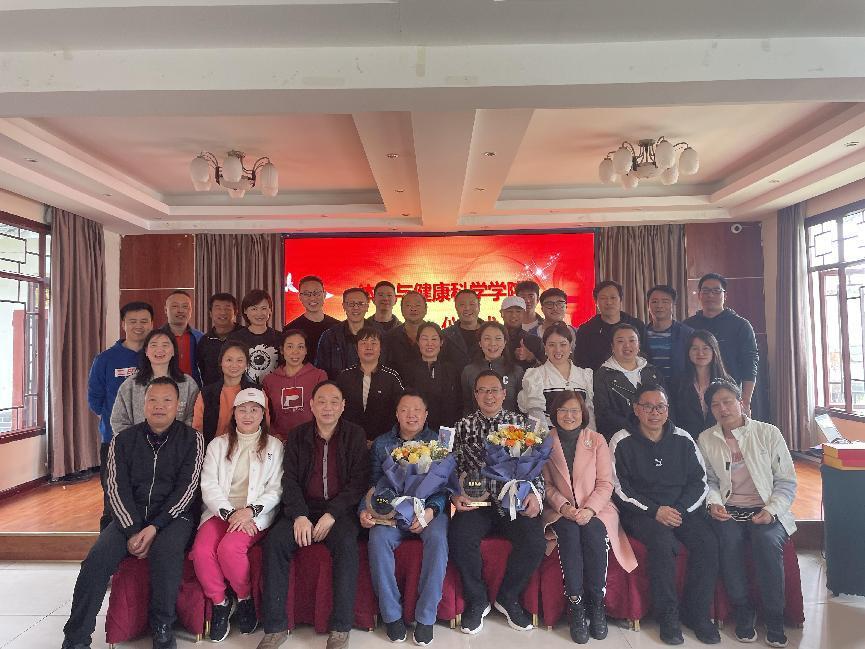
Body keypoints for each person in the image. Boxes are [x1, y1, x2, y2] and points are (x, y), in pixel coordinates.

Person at [61, 377, 204, 649]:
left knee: (166, 553)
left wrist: (155, 527)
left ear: (178, 405)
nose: (159, 406)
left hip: (174, 517)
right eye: (153, 400)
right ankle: (76, 637)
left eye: (167, 400)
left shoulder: (192, 439)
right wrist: (133, 530)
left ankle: (162, 628)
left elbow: (188, 489)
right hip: (129, 517)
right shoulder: (123, 440)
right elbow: (115, 488)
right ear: (143, 404)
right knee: (95, 561)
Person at [257, 381, 369, 649]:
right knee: (275, 543)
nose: (327, 407)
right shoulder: (298, 436)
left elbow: (358, 483)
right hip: (304, 509)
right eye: (321, 401)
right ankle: (275, 628)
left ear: (343, 406)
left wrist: (332, 514)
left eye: (334, 401)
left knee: (346, 544)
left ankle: (340, 627)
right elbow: (290, 480)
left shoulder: (355, 435)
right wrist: (299, 515)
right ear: (311, 405)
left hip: (339, 511)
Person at [610, 384, 720, 646]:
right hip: (642, 513)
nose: (654, 413)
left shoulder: (683, 438)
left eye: (660, 407)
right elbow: (620, 488)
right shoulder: (621, 440)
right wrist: (654, 511)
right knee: (662, 544)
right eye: (647, 407)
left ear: (667, 410)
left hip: (681, 510)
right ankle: (668, 616)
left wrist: (679, 510)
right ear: (636, 409)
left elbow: (700, 482)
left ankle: (697, 614)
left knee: (707, 543)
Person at [698, 380, 796, 648]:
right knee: (727, 541)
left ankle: (774, 616)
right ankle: (743, 609)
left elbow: (786, 481)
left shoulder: (768, 433)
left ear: (740, 403)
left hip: (766, 508)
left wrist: (771, 510)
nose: (722, 409)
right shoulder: (706, 438)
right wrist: (713, 503)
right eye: (715, 405)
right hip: (729, 510)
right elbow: (708, 481)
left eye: (727, 402)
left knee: (766, 541)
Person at [449, 370, 546, 635]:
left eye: (494, 390)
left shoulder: (521, 423)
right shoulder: (463, 426)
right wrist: (455, 495)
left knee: (535, 541)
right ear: (475, 395)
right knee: (459, 536)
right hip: (477, 503)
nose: (489, 395)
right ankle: (477, 599)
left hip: (512, 501)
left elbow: (536, 466)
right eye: (482, 390)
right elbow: (450, 467)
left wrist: (536, 495)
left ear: (504, 394)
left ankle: (508, 596)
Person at [541, 391, 637, 644]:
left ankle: (596, 604)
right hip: (561, 510)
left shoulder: (596, 440)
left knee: (594, 533)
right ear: (554, 414)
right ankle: (575, 604)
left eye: (574, 410)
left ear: (582, 413)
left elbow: (606, 483)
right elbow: (546, 485)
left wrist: (590, 509)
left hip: (597, 508)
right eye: (563, 410)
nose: (569, 416)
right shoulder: (546, 442)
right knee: (570, 534)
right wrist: (564, 507)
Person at [191, 388, 284, 642]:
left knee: (230, 549)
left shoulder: (274, 446)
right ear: (233, 413)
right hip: (220, 512)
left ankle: (245, 598)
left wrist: (250, 511)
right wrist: (230, 512)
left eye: (254, 410)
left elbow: (276, 489)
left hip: (254, 514)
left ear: (263, 415)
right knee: (202, 552)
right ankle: (221, 603)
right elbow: (209, 485)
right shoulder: (218, 445)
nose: (248, 415)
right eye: (242, 410)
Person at [360, 391, 449, 646]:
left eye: (417, 410)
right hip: (392, 512)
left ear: (426, 414)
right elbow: (372, 484)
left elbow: (444, 486)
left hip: (428, 510)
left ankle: (426, 617)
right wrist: (365, 510)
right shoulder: (382, 443)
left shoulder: (437, 442)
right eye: (405, 410)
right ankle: (391, 615)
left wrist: (431, 511)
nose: (411, 415)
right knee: (378, 538)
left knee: (438, 539)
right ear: (397, 414)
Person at [88, 301, 154, 530]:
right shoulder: (105, 359)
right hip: (115, 440)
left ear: (152, 324)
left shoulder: (156, 356)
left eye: (144, 321)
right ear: (123, 324)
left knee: (146, 497)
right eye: (132, 321)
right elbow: (95, 400)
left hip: (151, 441)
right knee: (113, 498)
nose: (139, 326)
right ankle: (108, 546)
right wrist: (115, 420)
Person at [684, 273, 759, 415]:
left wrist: (746, 400)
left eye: (716, 291)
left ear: (725, 296)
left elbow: (750, 363)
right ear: (699, 295)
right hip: (693, 398)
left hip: (729, 396)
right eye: (706, 291)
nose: (710, 295)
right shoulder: (688, 326)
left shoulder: (741, 325)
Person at [110, 329, 199, 434]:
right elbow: (118, 421)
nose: (159, 350)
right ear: (146, 351)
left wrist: (176, 439)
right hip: (138, 443)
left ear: (173, 351)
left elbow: (194, 418)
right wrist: (138, 441)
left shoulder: (188, 383)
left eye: (165, 345)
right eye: (154, 345)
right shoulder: (130, 384)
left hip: (179, 443)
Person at [593, 323, 664, 440]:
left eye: (632, 340)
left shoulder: (652, 372)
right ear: (612, 346)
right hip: (621, 439)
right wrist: (637, 429)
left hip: (656, 435)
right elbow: (604, 413)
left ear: (639, 345)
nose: (627, 345)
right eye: (620, 341)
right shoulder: (603, 375)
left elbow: (666, 404)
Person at [518, 322, 595, 430]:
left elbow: (588, 414)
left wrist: (589, 438)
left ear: (570, 346)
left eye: (563, 344)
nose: (558, 350)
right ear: (545, 347)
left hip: (580, 437)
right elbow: (535, 415)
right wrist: (546, 439)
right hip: (547, 436)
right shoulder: (535, 376)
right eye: (551, 345)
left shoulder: (584, 375)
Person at [336, 326, 405, 443]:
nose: (369, 347)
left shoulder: (392, 377)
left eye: (374, 343)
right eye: (363, 343)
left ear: (380, 348)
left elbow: (400, 410)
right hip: (349, 440)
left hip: (384, 442)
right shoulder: (344, 377)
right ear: (356, 348)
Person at [192, 341, 266, 444]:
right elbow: (197, 429)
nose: (234, 365)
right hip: (213, 449)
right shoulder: (206, 393)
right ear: (221, 362)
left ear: (247, 364)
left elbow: (266, 426)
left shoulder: (257, 392)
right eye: (229, 360)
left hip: (250, 448)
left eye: (240, 360)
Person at [262, 329, 328, 441]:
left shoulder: (319, 376)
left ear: (306, 350)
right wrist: (273, 434)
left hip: (311, 440)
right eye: (290, 346)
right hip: (280, 441)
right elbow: (265, 413)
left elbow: (325, 410)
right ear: (282, 350)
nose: (295, 352)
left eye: (300, 347)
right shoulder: (270, 380)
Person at [573, 281, 649, 371]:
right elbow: (580, 365)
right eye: (603, 298)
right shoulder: (586, 330)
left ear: (620, 300)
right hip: (597, 378)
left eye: (613, 298)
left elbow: (646, 356)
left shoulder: (637, 325)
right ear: (596, 301)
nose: (608, 302)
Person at [670, 331, 732, 441]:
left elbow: (734, 417)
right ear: (688, 352)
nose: (700, 353)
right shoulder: (677, 383)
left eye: (705, 348)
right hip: (688, 443)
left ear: (714, 351)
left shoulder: (727, 382)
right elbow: (672, 418)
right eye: (695, 349)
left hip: (720, 442)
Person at [402, 322, 463, 431]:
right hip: (416, 432)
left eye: (434, 339)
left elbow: (458, 404)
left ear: (441, 342)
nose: (429, 343)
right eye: (425, 339)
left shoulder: (451, 370)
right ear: (418, 342)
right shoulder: (407, 370)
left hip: (446, 431)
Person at [461, 321, 524, 416]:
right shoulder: (469, 371)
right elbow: (467, 406)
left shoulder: (517, 371)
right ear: (480, 343)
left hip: (510, 424)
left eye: (498, 338)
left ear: (505, 342)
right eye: (487, 338)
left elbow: (522, 407)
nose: (493, 343)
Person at [316, 287, 371, 380]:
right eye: (351, 304)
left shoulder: (380, 335)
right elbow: (320, 373)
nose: (356, 307)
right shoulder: (330, 336)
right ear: (344, 306)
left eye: (360, 303)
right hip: (337, 388)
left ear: (367, 307)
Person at [228, 289, 282, 383]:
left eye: (263, 308)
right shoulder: (235, 338)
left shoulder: (279, 337)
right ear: (245, 311)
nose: (259, 313)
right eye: (254, 309)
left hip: (274, 388)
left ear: (270, 310)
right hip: (243, 389)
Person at [284, 275, 339, 365]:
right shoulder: (290, 330)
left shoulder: (338, 327)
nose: (312, 298)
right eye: (306, 294)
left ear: (324, 294)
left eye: (316, 293)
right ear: (300, 297)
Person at [644, 285, 694, 382]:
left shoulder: (686, 334)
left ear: (673, 304)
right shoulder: (641, 335)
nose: (659, 305)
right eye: (654, 301)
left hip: (680, 388)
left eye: (665, 301)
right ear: (648, 305)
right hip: (649, 387)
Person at [197, 293, 242, 386]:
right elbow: (202, 370)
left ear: (235, 312)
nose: (222, 312)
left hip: (242, 391)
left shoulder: (244, 336)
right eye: (218, 308)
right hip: (212, 392)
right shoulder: (205, 341)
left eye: (227, 308)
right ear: (210, 313)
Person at [160, 290, 204, 386]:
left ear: (191, 311)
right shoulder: (155, 338)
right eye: (175, 306)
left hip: (194, 390)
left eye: (185, 306)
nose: (180, 310)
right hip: (163, 389)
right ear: (166, 310)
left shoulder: (200, 338)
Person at [382, 290, 429, 380]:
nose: (413, 309)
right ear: (401, 309)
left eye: (417, 305)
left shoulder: (436, 336)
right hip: (398, 387)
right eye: (408, 305)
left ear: (426, 309)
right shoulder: (390, 337)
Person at [442, 289, 483, 371]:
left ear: (479, 306)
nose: (467, 308)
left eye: (472, 304)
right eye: (462, 304)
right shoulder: (446, 335)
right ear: (456, 307)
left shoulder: (491, 332)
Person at [500, 296, 545, 370]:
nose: (514, 315)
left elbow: (545, 370)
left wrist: (530, 357)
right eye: (509, 311)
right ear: (502, 313)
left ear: (524, 314)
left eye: (518, 311)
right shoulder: (492, 340)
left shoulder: (535, 341)